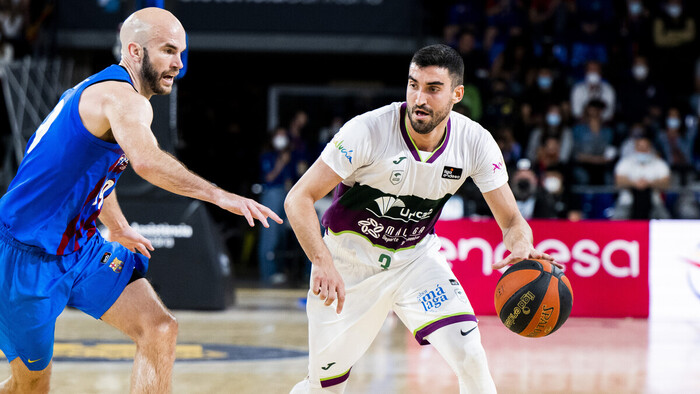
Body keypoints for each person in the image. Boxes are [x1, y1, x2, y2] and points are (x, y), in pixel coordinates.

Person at [0, 8, 282, 393]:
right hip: (23, 256)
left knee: (159, 328)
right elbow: (147, 162)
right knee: (31, 385)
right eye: (168, 51)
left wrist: (116, 226)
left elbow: (95, 172)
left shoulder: (96, 92)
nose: (178, 65)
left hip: (79, 248)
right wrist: (219, 195)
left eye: (181, 53)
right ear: (134, 50)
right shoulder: (124, 99)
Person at [285, 44, 557, 394]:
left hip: (416, 260)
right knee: (323, 388)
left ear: (457, 94)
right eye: (413, 85)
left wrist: (522, 247)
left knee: (471, 356)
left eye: (432, 88)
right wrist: (321, 261)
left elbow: (512, 221)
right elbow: (298, 199)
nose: (419, 98)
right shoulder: (367, 131)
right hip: (348, 264)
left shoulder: (474, 142)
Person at [257, 127, 295, 285]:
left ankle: (278, 271)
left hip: (285, 194)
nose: (281, 138)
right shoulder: (268, 156)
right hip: (271, 194)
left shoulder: (288, 156)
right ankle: (268, 273)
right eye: (278, 135)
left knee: (281, 234)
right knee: (270, 234)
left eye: (283, 135)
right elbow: (269, 177)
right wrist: (281, 163)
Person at [612, 135, 671, 219]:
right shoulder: (625, 162)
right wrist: (634, 183)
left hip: (654, 201)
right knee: (617, 220)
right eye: (640, 147)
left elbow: (666, 183)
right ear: (635, 148)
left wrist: (649, 183)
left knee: (666, 220)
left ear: (650, 148)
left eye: (646, 147)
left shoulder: (659, 163)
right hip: (627, 201)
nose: (643, 150)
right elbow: (618, 181)